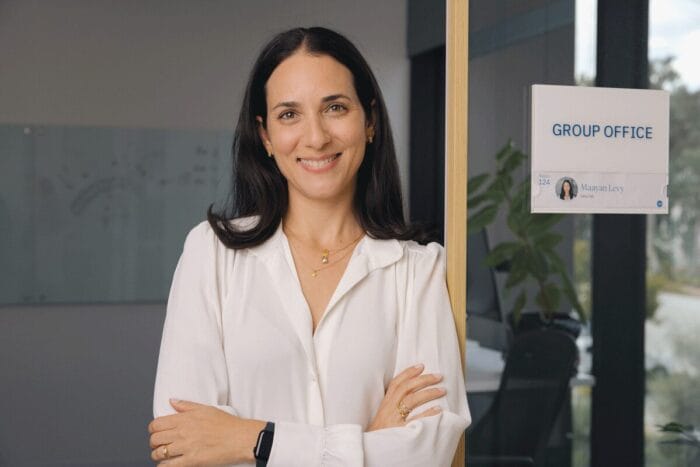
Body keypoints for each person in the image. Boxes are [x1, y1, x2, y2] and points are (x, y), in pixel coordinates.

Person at [148, 27, 470, 467]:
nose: (316, 137)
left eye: (335, 108)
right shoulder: (212, 254)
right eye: (288, 115)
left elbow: (428, 451)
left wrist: (254, 440)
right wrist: (366, 443)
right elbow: (181, 445)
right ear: (264, 136)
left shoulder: (418, 269)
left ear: (369, 120)